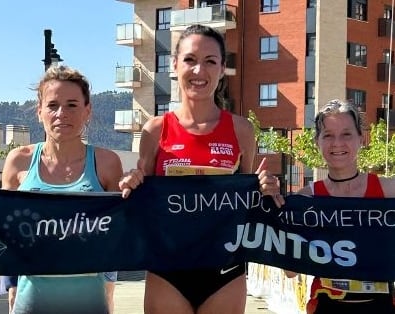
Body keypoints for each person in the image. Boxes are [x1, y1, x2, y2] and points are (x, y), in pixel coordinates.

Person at [119, 24, 283, 314]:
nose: (199, 71)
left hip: (225, 270)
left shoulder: (241, 129)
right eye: (190, 60)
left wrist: (265, 188)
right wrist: (131, 183)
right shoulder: (155, 130)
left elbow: (248, 200)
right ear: (174, 65)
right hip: (168, 268)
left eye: (210, 61)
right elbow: (142, 197)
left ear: (222, 70)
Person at [2, 65, 122, 314]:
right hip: (31, 302)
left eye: (72, 105)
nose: (61, 114)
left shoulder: (107, 164)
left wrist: (109, 293)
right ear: (39, 111)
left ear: (87, 111)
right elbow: (5, 236)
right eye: (52, 105)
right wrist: (11, 288)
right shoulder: (18, 162)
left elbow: (116, 239)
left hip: (90, 302)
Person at [284, 99, 395, 314]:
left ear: (361, 139)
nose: (337, 143)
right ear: (317, 142)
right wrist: (273, 207)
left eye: (346, 134)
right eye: (328, 135)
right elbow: (290, 271)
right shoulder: (306, 200)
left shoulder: (388, 191)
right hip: (326, 306)